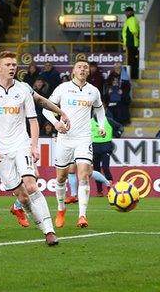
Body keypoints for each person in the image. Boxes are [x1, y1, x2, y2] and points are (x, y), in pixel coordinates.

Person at [0, 51, 58, 246]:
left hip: (21, 145)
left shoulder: (23, 89)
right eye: (7, 64)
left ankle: (49, 231)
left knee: (31, 185)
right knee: (22, 197)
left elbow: (33, 121)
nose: (12, 67)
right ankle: (37, 222)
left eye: (14, 64)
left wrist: (33, 146)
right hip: (1, 152)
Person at [42, 58, 107, 229]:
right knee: (61, 177)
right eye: (80, 67)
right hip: (65, 139)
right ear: (73, 71)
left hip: (84, 138)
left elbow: (100, 109)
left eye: (86, 67)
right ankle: (61, 209)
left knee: (83, 175)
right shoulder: (63, 88)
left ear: (88, 71)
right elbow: (45, 108)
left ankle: (82, 215)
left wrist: (101, 125)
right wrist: (56, 123)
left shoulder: (93, 91)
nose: (83, 70)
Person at [122, 6, 140, 79]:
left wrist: (136, 36)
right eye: (126, 12)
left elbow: (134, 31)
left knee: (131, 61)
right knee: (132, 61)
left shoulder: (131, 19)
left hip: (131, 44)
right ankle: (133, 75)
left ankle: (133, 76)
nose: (126, 13)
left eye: (128, 12)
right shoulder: (131, 19)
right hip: (131, 44)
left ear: (131, 12)